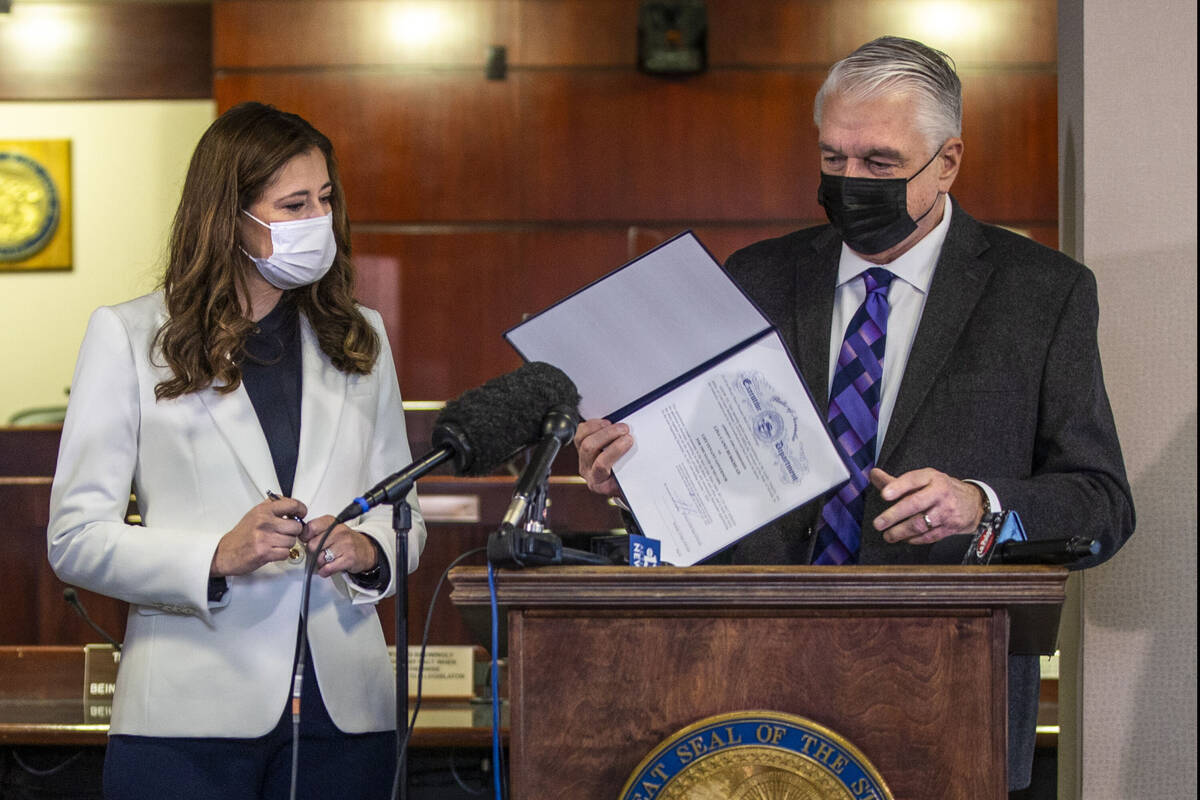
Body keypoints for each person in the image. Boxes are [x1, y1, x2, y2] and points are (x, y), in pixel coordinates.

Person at [574, 36, 1134, 793]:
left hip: (944, 695)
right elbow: (706, 489)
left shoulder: (1042, 294)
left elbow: (1101, 503)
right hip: (749, 690)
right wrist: (633, 476)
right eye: (833, 160)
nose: (850, 182)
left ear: (948, 161)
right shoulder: (760, 277)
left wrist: (982, 506)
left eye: (878, 163)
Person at [47, 102, 425, 799]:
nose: (320, 220)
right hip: (186, 718)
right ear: (230, 216)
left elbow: (406, 518)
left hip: (346, 717)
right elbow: (74, 538)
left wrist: (367, 552)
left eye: (325, 199)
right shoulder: (130, 337)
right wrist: (215, 555)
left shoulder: (360, 337)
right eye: (293, 204)